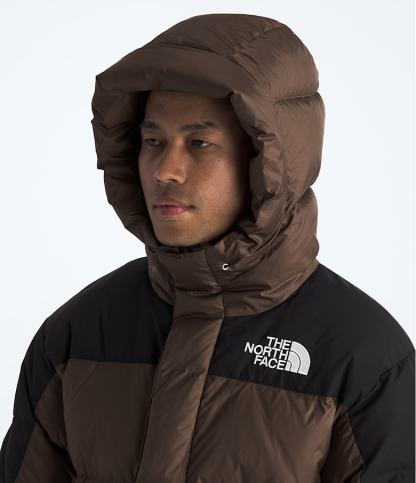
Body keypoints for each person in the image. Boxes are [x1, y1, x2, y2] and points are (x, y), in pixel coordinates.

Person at [0, 12, 414, 483]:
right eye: (152, 141)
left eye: (199, 142)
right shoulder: (77, 336)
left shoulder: (361, 357)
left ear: (268, 161)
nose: (165, 170)